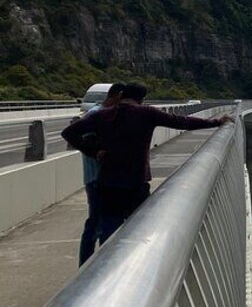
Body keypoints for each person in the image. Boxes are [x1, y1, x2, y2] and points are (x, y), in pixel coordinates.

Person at [62, 83, 234, 246]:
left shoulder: (102, 115)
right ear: (141, 99)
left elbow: (69, 133)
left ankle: (103, 270)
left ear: (121, 95)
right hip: (136, 183)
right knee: (137, 234)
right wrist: (215, 122)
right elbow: (182, 122)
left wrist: (94, 151)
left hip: (107, 184)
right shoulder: (146, 113)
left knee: (108, 234)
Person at [76, 82, 124, 265]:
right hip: (97, 178)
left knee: (100, 224)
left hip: (99, 178)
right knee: (97, 225)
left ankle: (91, 266)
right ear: (118, 96)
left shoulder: (100, 113)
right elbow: (82, 139)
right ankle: (88, 267)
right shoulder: (97, 115)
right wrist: (99, 153)